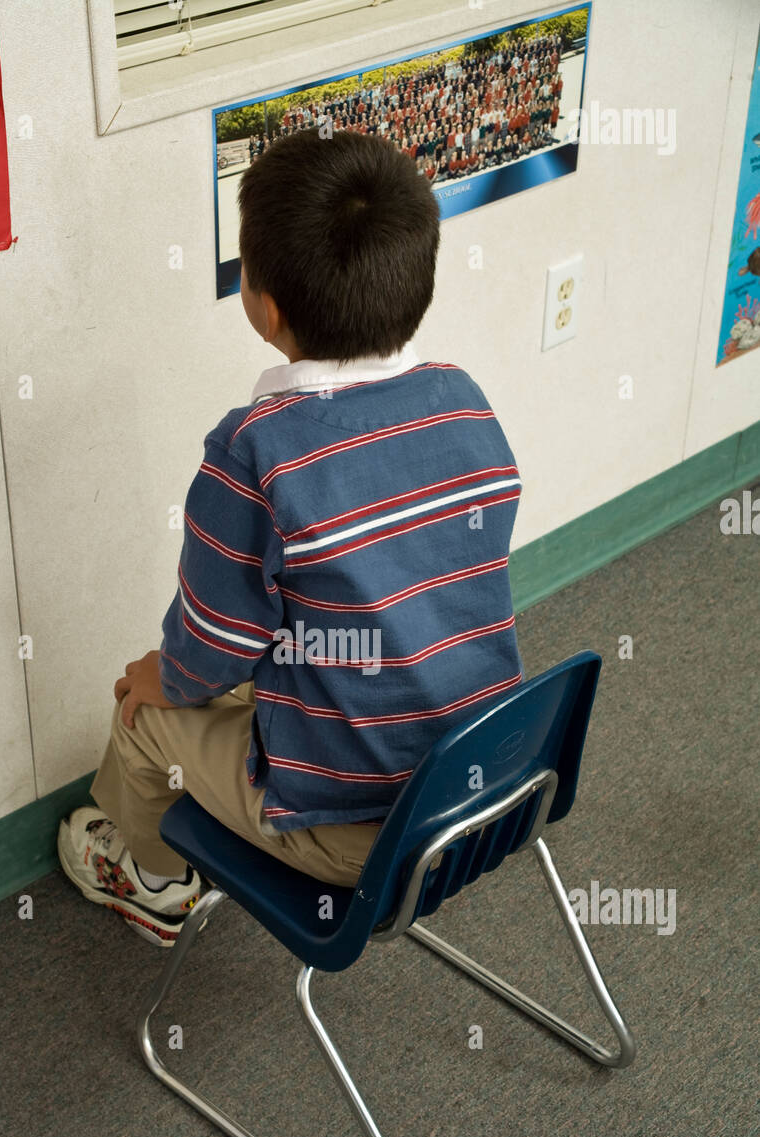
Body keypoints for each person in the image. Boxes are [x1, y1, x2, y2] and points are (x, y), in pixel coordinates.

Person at [57, 127, 524, 947]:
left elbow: (211, 650)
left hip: (356, 830)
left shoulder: (253, 452)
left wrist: (159, 676)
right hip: (487, 774)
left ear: (263, 305)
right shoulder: (463, 399)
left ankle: (154, 886)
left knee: (141, 713)